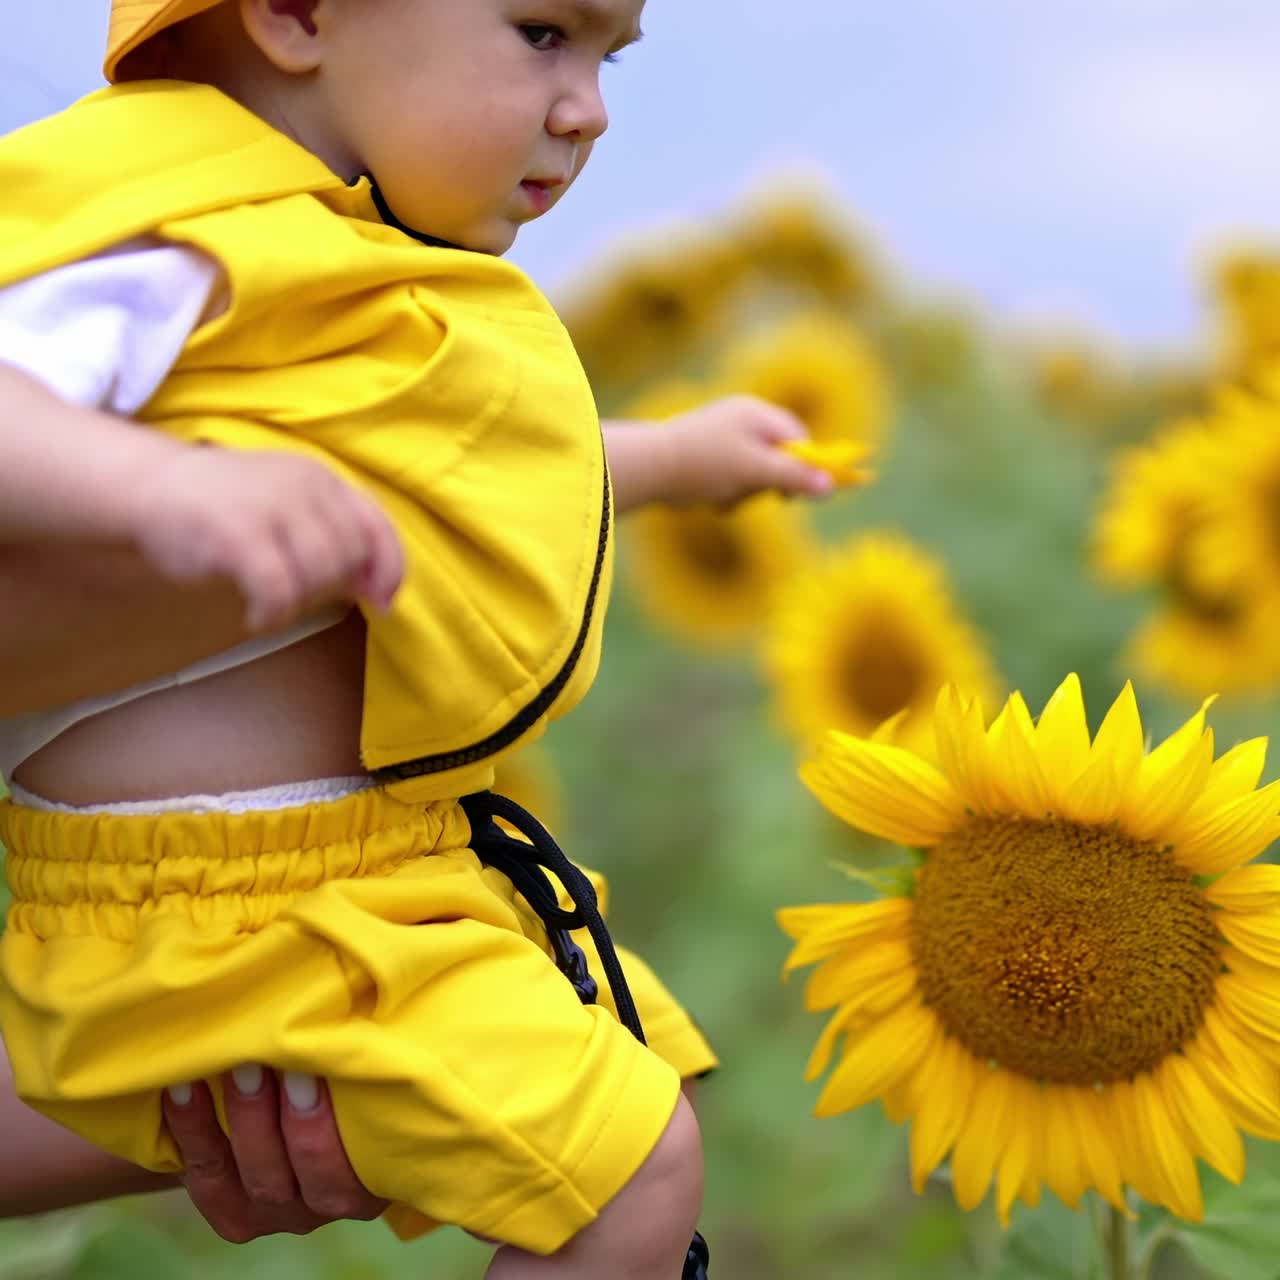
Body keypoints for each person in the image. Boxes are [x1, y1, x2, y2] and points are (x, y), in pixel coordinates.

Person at [0, 2, 832, 1275]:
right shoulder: (163, 225)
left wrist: (665, 458)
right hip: (252, 913)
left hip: (292, 904)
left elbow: (444, 485)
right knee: (632, 1165)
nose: (587, 110)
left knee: (615, 1054)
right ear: (292, 11)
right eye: (541, 32)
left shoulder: (323, 251)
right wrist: (156, 488)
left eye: (609, 59)